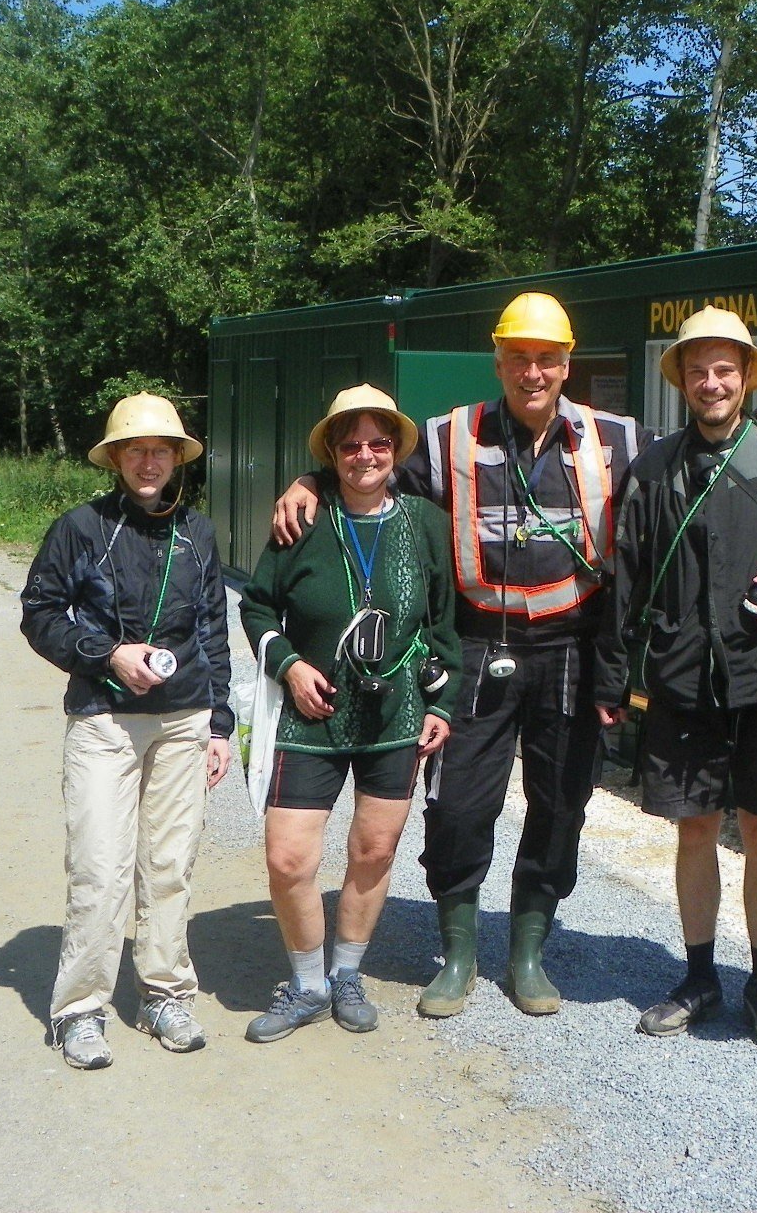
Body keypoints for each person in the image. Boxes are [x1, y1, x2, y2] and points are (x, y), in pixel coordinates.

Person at [271, 292, 757, 1019]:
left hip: (571, 644)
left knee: (562, 804)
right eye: (520, 358)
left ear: (567, 364)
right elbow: (365, 472)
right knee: (461, 805)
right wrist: (308, 479)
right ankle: (459, 951)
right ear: (499, 361)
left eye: (548, 359)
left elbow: (710, 443)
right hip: (478, 642)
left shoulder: (618, 438)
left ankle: (527, 951)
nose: (534, 371)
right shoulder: (446, 437)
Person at [595, 306, 757, 1052]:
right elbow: (624, 575)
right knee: (693, 830)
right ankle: (698, 976)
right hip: (683, 676)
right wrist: (611, 679)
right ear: (682, 381)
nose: (712, 382)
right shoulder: (654, 468)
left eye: (726, 369)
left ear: (748, 378)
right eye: (699, 370)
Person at [237, 386, 459, 1041]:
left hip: (396, 716)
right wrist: (289, 666)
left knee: (372, 849)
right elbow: (255, 607)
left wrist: (444, 700)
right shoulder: (301, 519)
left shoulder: (425, 522)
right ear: (333, 453)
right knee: (288, 859)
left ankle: (347, 974)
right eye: (351, 443)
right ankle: (305, 985)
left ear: (394, 451)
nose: (365, 454)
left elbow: (447, 622)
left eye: (378, 442)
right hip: (311, 716)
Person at [20, 393, 234, 1070]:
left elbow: (213, 631)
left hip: (183, 721)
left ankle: (165, 994)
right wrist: (106, 654)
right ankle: (79, 1009)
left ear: (177, 459)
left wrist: (221, 724)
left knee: (169, 868)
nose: (149, 461)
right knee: (100, 869)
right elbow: (40, 613)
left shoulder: (198, 533)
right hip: (104, 720)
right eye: (136, 449)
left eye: (161, 450)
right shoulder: (80, 529)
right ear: (115, 458)